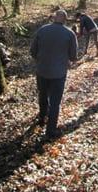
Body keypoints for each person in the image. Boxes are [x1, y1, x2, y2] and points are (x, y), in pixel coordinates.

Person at [30, 9, 78, 139]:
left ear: (54, 18)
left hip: (42, 70)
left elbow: (32, 51)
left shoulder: (42, 30)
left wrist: (40, 60)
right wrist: (66, 60)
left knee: (43, 94)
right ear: (65, 20)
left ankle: (41, 118)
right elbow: (74, 57)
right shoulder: (70, 34)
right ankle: (50, 131)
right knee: (55, 102)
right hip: (59, 73)